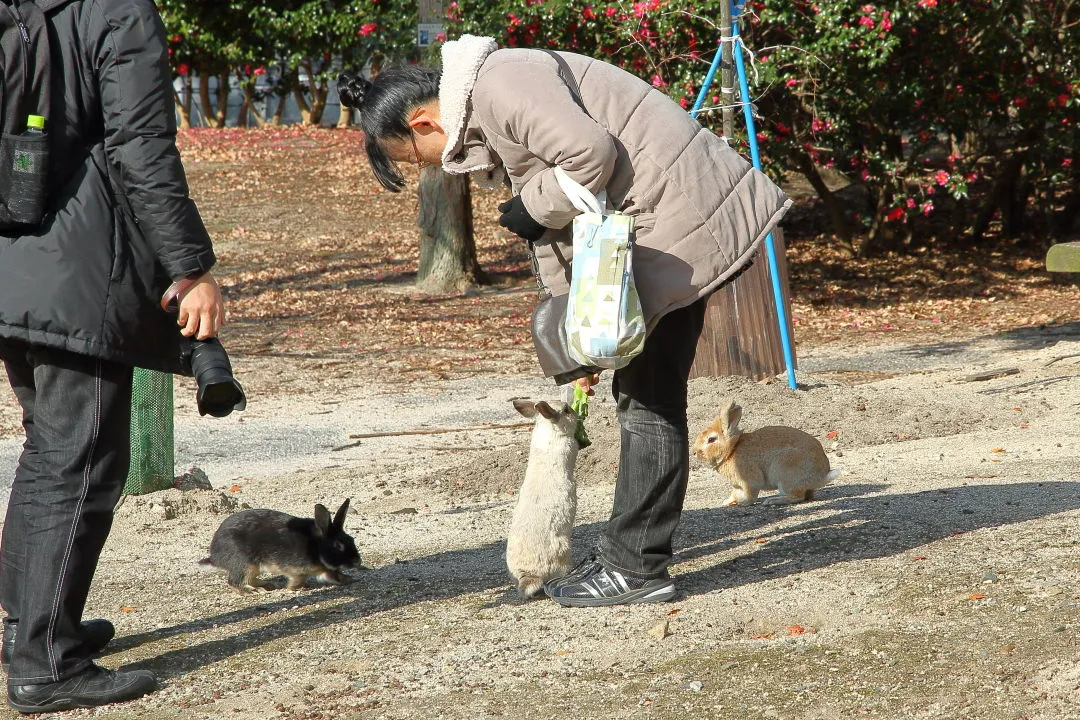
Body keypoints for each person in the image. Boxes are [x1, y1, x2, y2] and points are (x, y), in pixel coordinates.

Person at [337, 35, 790, 607]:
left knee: (649, 396)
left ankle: (637, 569)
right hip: (654, 228)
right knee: (643, 390)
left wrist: (531, 207)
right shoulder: (487, 108)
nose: (432, 169)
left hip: (675, 221)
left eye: (414, 159)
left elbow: (588, 157)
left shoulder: (500, 83)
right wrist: (576, 341)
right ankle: (631, 558)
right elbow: (560, 233)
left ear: (424, 123)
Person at [0, 0, 224, 712]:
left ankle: (29, 631)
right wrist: (189, 266)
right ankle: (46, 664)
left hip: (14, 250)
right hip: (76, 267)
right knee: (82, 459)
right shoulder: (118, 10)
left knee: (52, 450)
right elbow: (141, 147)